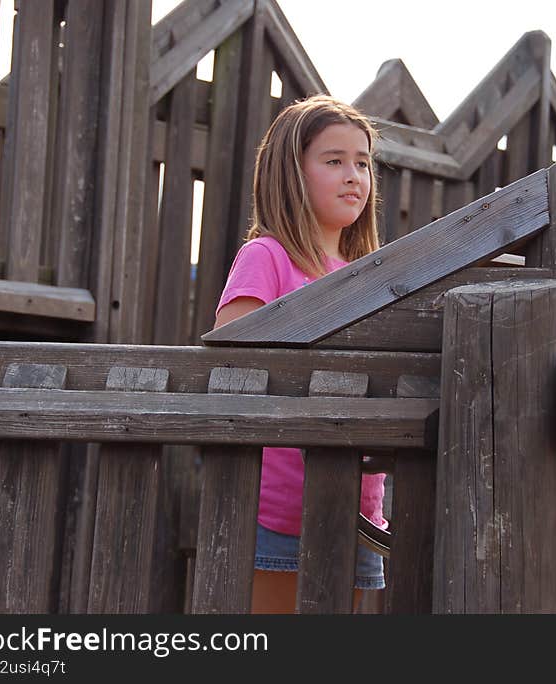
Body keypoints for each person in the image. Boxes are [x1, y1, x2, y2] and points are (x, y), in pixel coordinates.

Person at [214, 95, 386, 613]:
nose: (353, 174)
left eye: (362, 162)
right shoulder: (266, 257)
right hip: (281, 509)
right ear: (291, 172)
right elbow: (232, 367)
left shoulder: (370, 274)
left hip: (359, 507)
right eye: (333, 161)